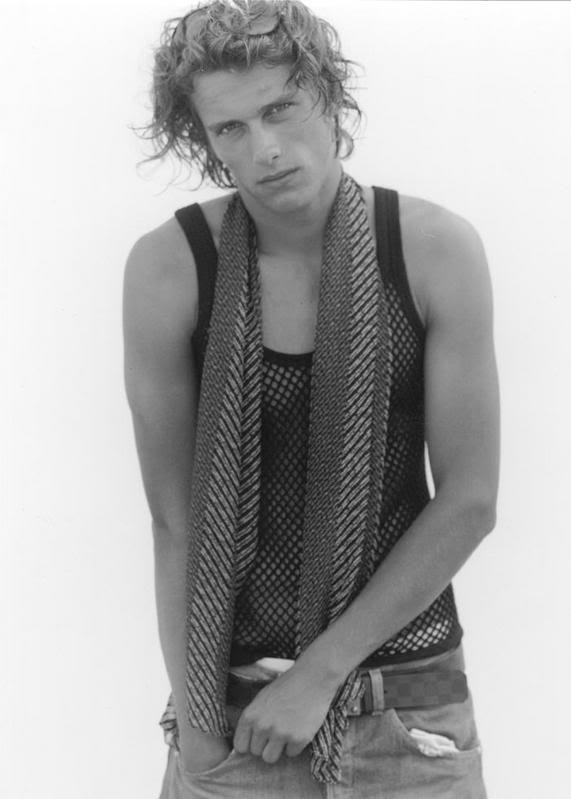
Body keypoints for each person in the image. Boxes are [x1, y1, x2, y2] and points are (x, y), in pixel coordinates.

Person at [123, 1, 500, 797]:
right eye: (229, 128)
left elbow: (468, 500)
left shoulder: (433, 249)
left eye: (279, 108)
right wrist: (196, 730)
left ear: (327, 94)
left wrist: (318, 673)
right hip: (230, 714)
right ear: (203, 140)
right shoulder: (170, 267)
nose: (263, 147)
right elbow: (173, 519)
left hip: (406, 708)